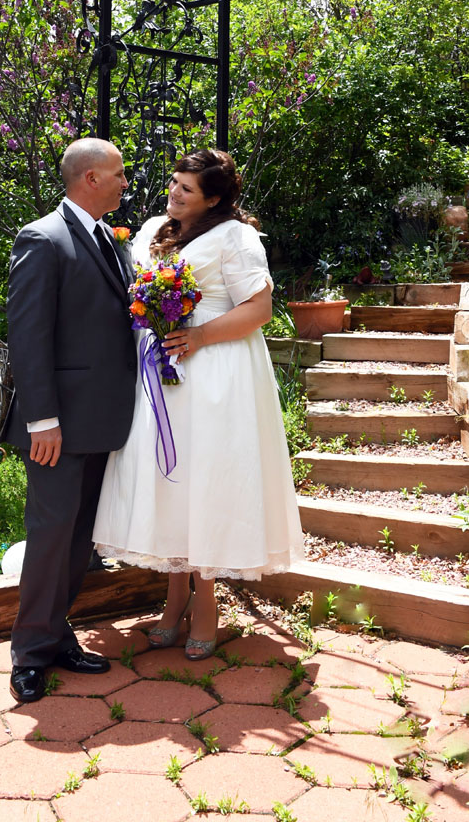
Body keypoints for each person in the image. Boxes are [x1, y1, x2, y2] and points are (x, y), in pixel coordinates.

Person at [93, 149, 303, 659]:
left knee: (208, 479)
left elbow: (260, 308)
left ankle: (206, 603)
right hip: (160, 375)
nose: (173, 193)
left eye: (186, 189)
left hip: (217, 372)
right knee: (173, 482)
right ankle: (174, 595)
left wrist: (199, 336)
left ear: (213, 197)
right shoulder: (150, 230)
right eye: (173, 183)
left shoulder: (236, 237)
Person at [0, 137, 137, 703]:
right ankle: (28, 655)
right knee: (51, 536)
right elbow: (28, 337)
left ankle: (58, 638)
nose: (126, 183)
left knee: (81, 539)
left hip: (103, 419)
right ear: (90, 180)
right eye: (119, 175)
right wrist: (43, 420)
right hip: (57, 426)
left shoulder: (110, 238)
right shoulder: (42, 238)